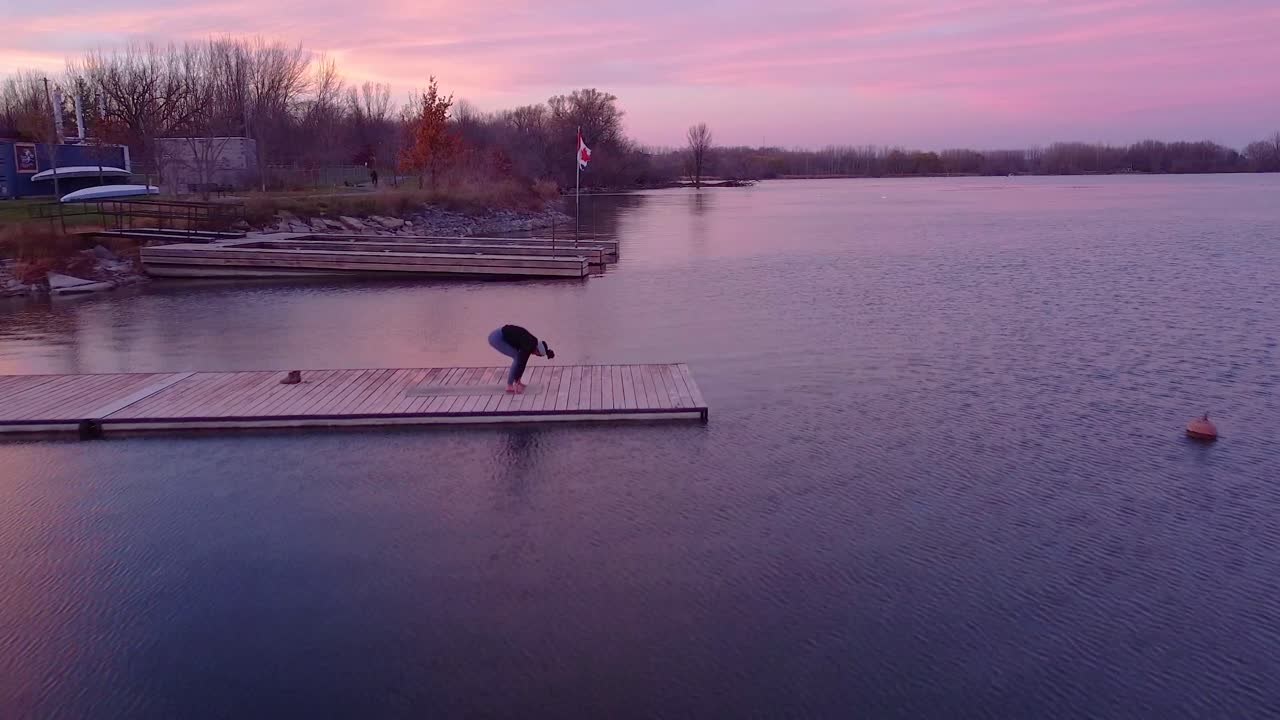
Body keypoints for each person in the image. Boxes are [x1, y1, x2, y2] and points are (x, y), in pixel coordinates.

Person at [488, 325, 554, 394]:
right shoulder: (528, 346)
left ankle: (516, 382)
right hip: (496, 337)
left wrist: (518, 380)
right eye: (537, 355)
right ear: (537, 351)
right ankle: (509, 386)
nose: (534, 355)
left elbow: (523, 362)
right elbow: (521, 363)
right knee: (517, 357)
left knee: (518, 358)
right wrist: (516, 380)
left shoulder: (532, 343)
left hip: (500, 333)